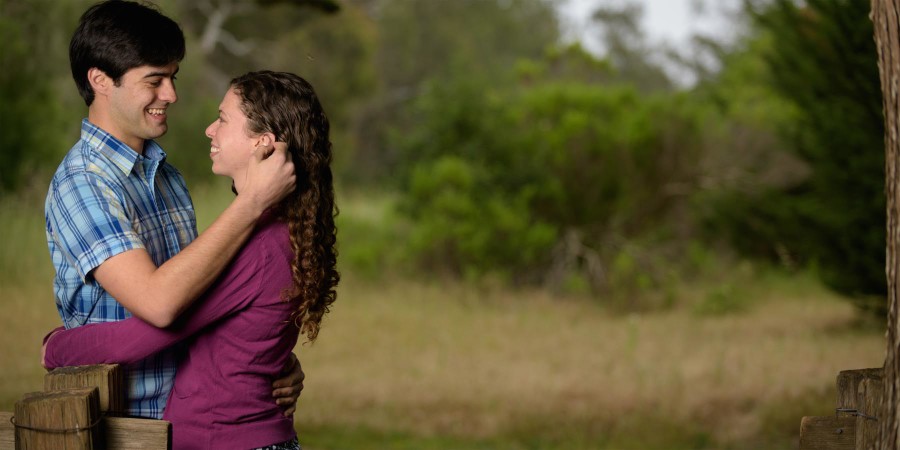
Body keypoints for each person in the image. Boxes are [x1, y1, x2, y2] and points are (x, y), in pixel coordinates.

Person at [44, 70, 339, 450]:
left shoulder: (260, 243)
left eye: (224, 119)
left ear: (263, 143)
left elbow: (160, 325)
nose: (209, 129)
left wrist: (56, 348)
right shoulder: (278, 231)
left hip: (226, 439)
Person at [44, 0, 303, 420]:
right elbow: (159, 303)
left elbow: (207, 299)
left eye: (173, 77)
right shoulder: (83, 182)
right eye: (155, 80)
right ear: (101, 80)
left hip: (192, 415)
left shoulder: (167, 176)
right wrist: (253, 202)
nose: (172, 94)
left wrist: (268, 360)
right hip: (127, 424)